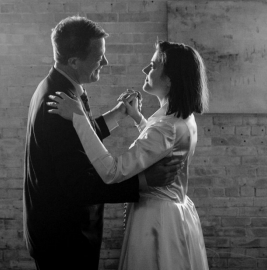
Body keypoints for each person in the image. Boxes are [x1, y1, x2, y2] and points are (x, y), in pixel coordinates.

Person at [23, 17, 182, 270]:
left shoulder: (61, 88)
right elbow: (79, 185)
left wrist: (118, 114)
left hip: (61, 231)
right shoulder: (57, 102)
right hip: (64, 239)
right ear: (74, 61)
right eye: (99, 57)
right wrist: (143, 182)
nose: (105, 62)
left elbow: (77, 139)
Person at [49, 40, 210, 270]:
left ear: (170, 79)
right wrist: (138, 119)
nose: (146, 69)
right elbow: (161, 147)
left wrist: (79, 118)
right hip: (178, 214)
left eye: (153, 65)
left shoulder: (164, 127)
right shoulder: (183, 118)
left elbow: (112, 172)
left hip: (156, 221)